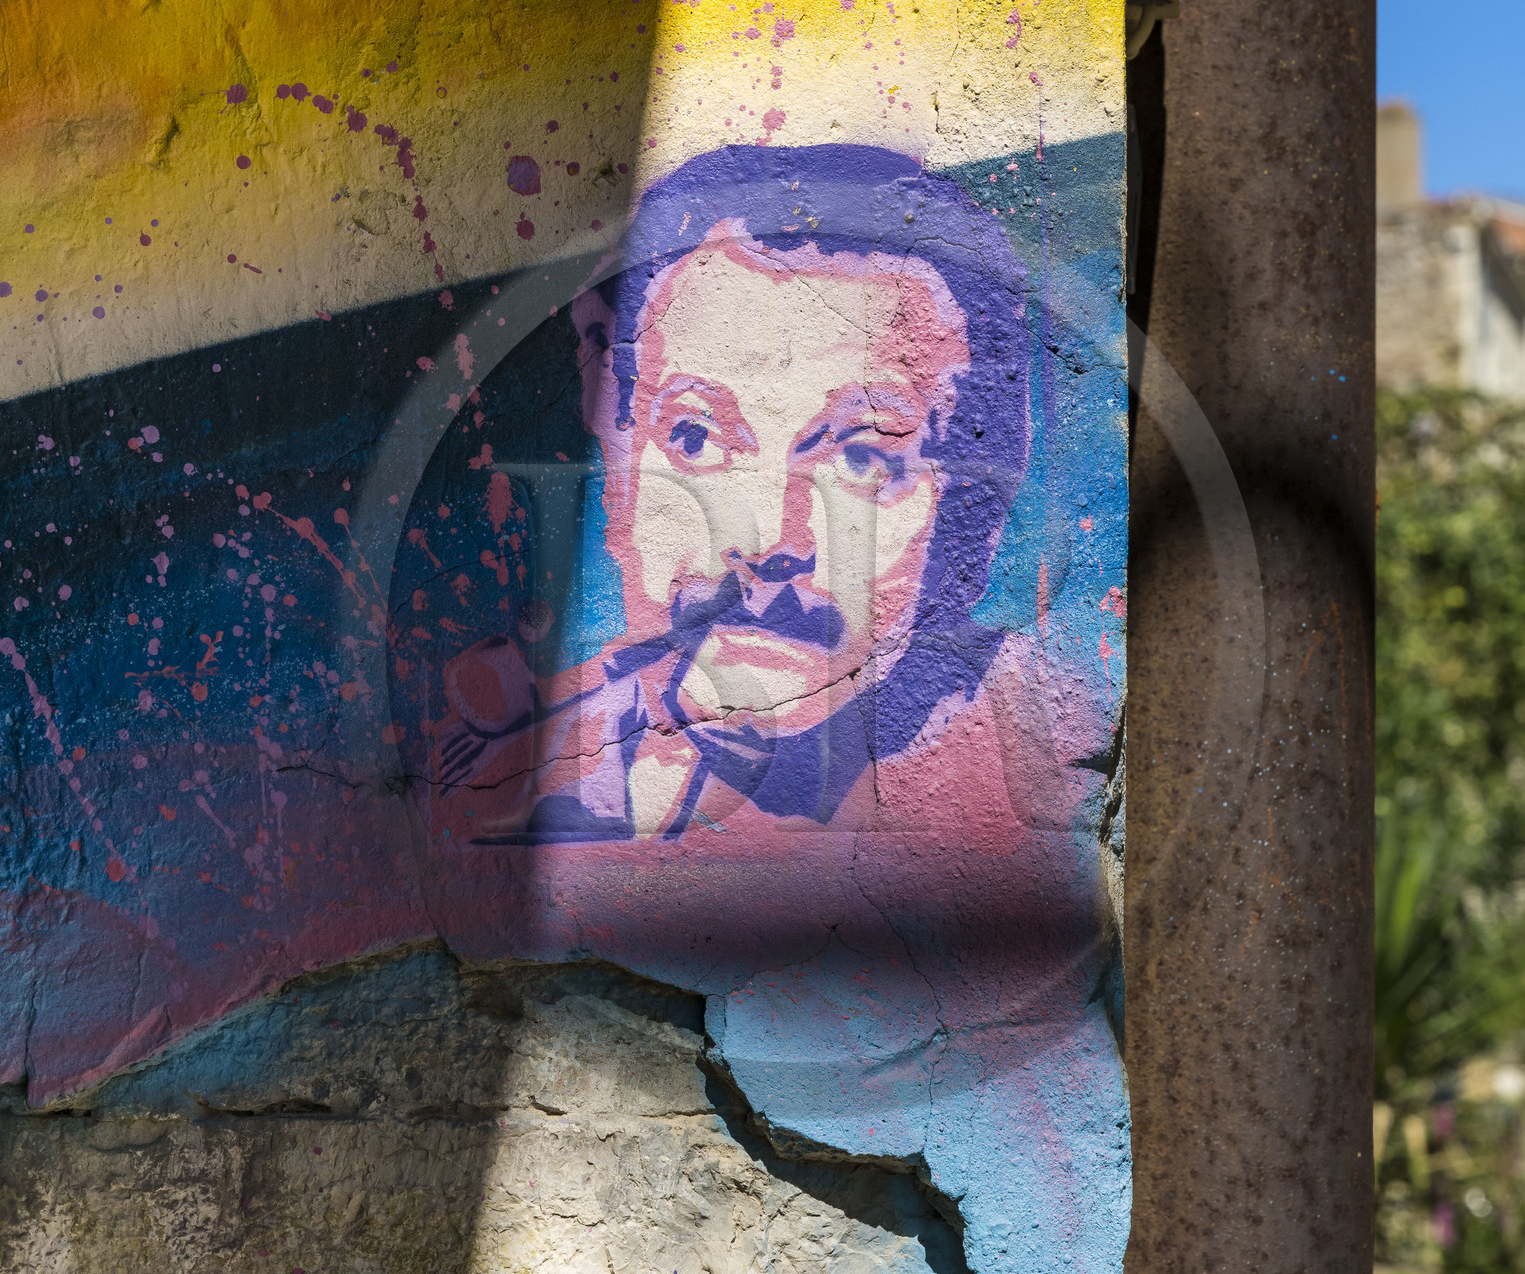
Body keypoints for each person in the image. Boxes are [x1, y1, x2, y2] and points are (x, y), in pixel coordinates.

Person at [432, 145, 1069, 846]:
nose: (769, 543)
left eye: (859, 457)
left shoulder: (1036, 782)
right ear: (612, 430)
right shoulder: (510, 775)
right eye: (696, 440)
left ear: (968, 500)